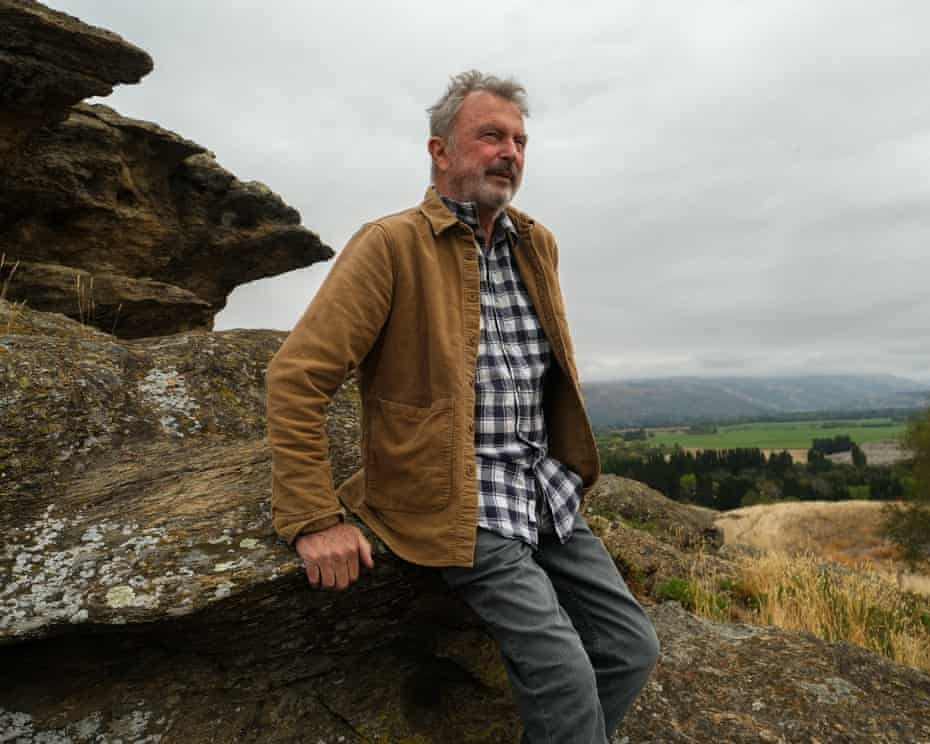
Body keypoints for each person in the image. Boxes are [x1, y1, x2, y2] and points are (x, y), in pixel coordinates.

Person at [266, 70, 659, 743]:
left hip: (540, 486)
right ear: (440, 150)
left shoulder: (535, 243)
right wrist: (313, 518)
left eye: (520, 141)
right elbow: (296, 378)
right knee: (564, 675)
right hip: (456, 495)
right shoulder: (390, 245)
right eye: (491, 136)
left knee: (629, 648)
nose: (510, 152)